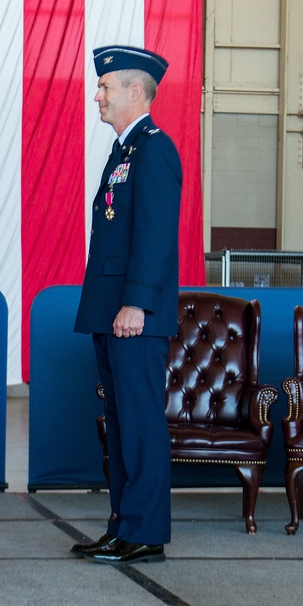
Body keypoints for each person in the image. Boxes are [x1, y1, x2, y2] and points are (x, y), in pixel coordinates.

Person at [72, 45, 183, 565]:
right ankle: (123, 524)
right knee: (120, 423)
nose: (97, 95)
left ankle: (145, 530)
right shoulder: (124, 151)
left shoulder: (154, 149)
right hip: (113, 311)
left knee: (139, 422)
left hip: (134, 314)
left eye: (105, 87)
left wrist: (136, 303)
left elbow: (156, 235)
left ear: (135, 92)